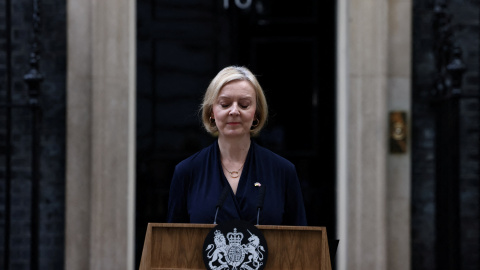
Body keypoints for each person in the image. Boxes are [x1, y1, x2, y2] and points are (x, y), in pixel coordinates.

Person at [167, 66, 307, 226]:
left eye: (244, 105)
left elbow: (300, 244)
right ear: (212, 112)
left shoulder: (283, 171)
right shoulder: (187, 172)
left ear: (256, 113)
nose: (234, 111)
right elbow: (173, 244)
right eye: (225, 104)